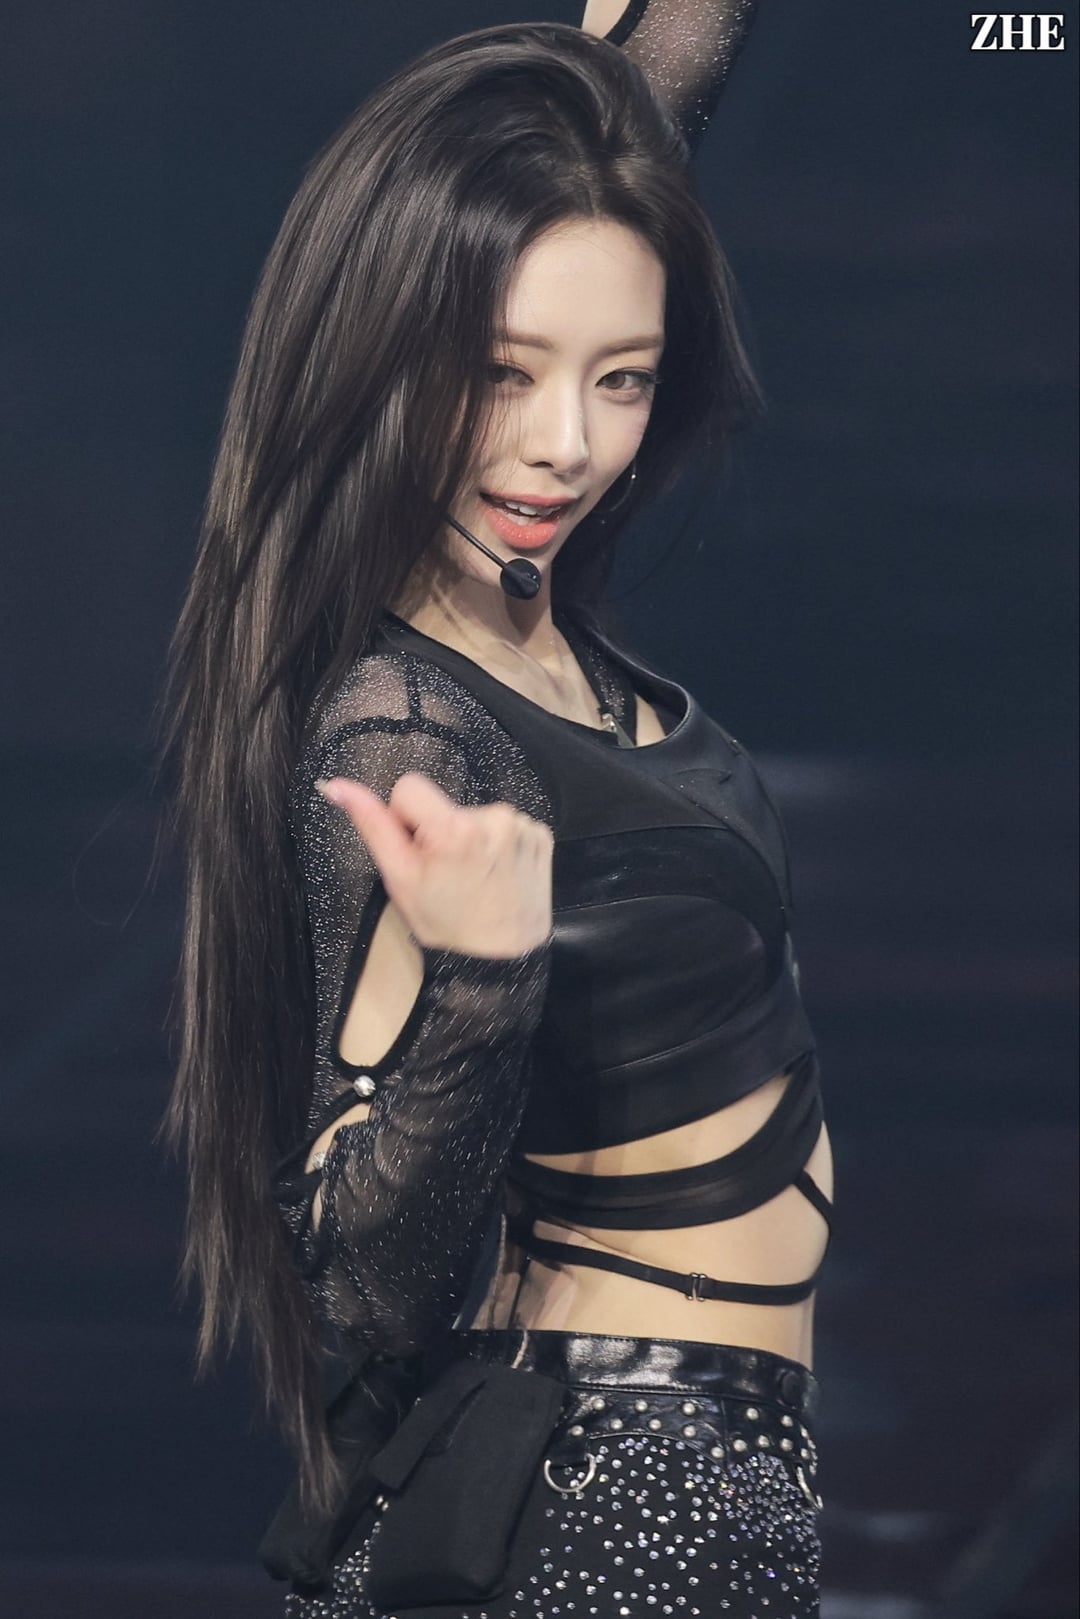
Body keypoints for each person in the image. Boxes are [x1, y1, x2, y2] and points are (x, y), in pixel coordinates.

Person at [164, 3, 834, 1614]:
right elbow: (365, 1289)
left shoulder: (523, 615)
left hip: (696, 1471)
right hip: (618, 1501)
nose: (564, 446)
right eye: (499, 374)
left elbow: (616, 166)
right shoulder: (411, 729)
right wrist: (475, 977)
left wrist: (617, 69)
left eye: (625, 379)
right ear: (388, 344)